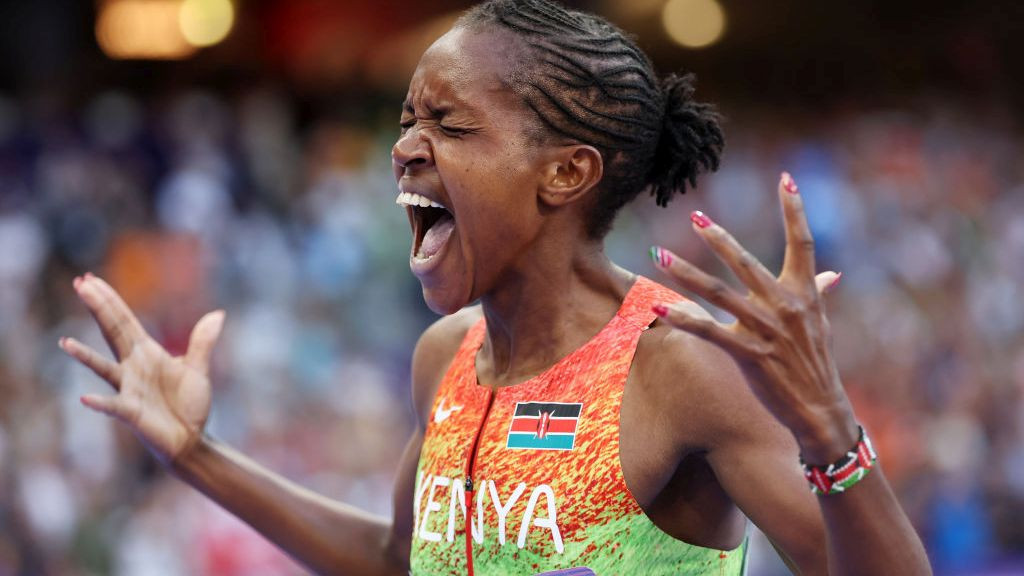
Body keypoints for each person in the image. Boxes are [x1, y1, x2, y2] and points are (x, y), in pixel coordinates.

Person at [60, 1, 932, 574]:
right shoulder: (446, 356)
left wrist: (830, 434)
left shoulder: (678, 364)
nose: (405, 145)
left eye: (449, 122)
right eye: (407, 120)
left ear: (566, 173)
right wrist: (196, 454)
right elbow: (402, 557)